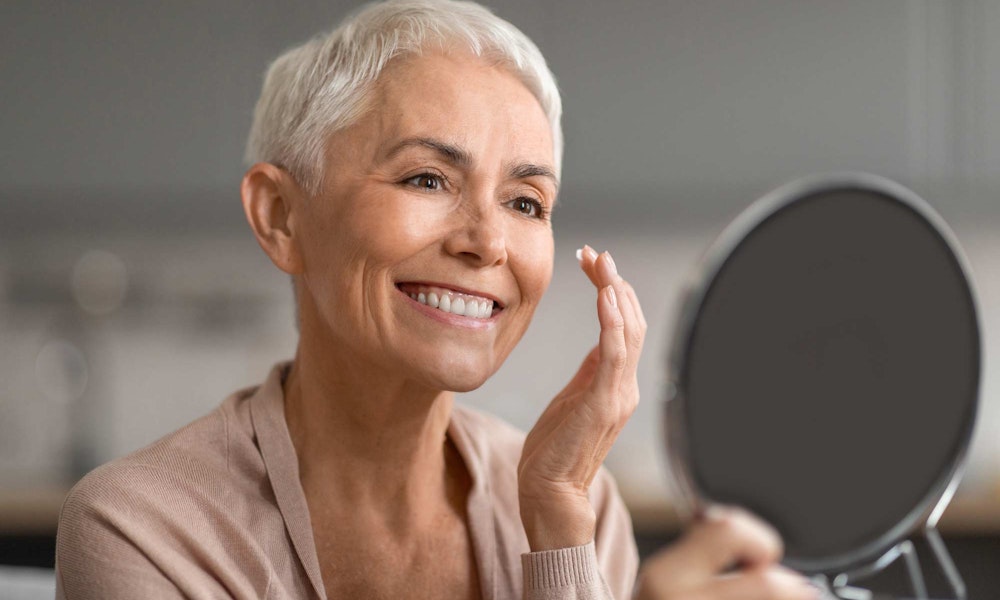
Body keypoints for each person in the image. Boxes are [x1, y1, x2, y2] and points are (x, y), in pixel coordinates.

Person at [54, 1, 819, 598]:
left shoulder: (579, 508)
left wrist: (558, 533)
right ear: (282, 218)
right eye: (428, 179)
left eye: (526, 202)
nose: (486, 242)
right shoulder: (140, 530)